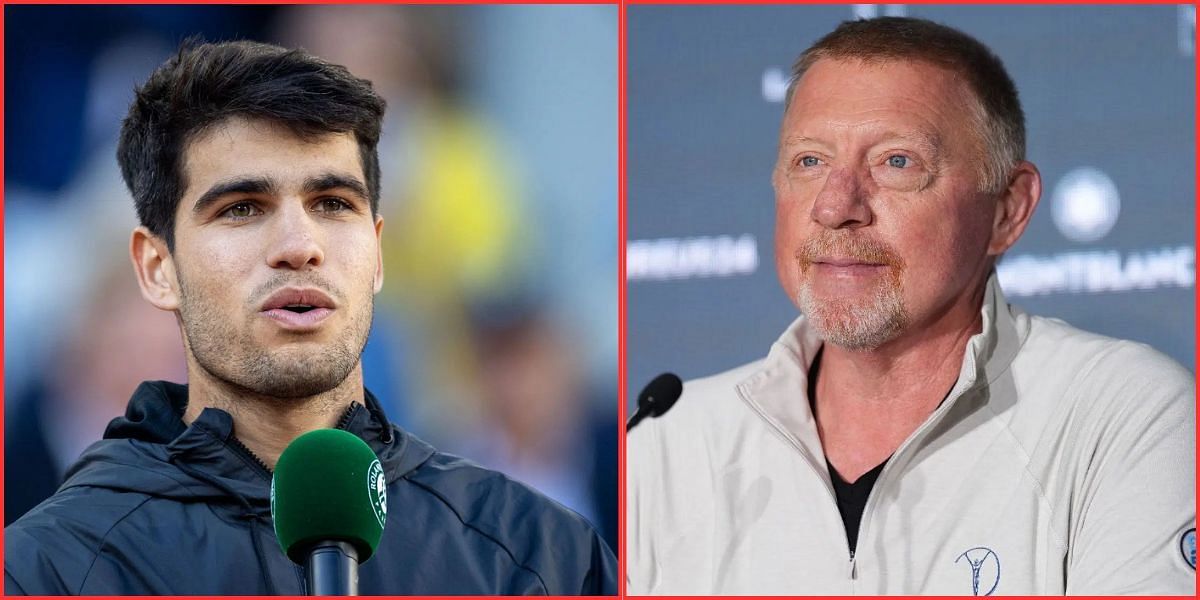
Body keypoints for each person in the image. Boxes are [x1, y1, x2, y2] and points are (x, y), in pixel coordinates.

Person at [4, 39, 616, 595]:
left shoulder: (540, 557)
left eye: (332, 203)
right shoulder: (50, 570)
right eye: (243, 208)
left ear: (377, 253)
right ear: (157, 268)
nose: (300, 245)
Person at [627, 17, 1195, 595]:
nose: (835, 205)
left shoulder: (1123, 415)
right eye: (810, 162)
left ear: (1008, 209)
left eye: (896, 162)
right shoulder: (664, 443)